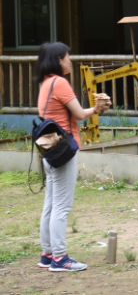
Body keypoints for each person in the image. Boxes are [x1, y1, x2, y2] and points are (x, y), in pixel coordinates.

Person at [36, 42, 110, 272]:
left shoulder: (45, 83)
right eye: (68, 57)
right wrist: (97, 109)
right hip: (63, 149)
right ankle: (60, 258)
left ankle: (48, 254)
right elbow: (78, 114)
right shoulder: (60, 83)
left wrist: (94, 108)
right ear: (59, 59)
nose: (70, 61)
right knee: (61, 206)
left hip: (49, 149)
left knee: (50, 204)